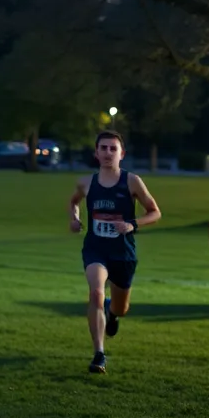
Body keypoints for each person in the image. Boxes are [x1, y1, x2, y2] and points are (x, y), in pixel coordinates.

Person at [67, 130, 162, 374]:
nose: (108, 152)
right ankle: (99, 353)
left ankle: (113, 312)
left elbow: (155, 211)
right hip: (96, 249)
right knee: (96, 292)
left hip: (123, 252)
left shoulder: (132, 181)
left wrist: (133, 224)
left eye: (113, 149)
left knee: (121, 309)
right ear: (96, 153)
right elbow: (73, 202)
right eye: (104, 148)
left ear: (122, 154)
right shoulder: (86, 183)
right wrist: (74, 220)